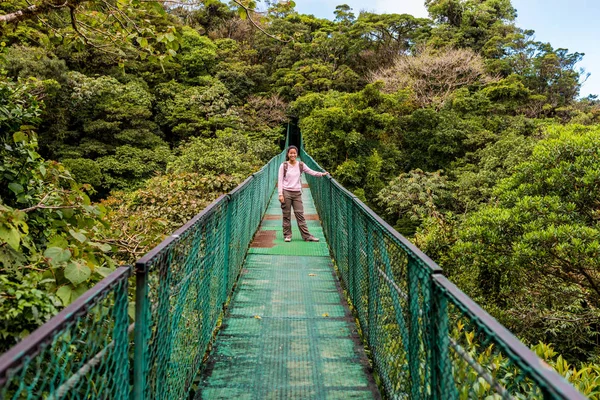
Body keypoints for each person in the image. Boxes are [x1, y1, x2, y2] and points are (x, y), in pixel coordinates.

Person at [278, 146, 328, 242]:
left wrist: (321, 174)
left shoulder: (300, 165)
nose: (293, 155)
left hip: (297, 193)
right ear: (288, 154)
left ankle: (306, 236)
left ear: (297, 154)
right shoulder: (283, 166)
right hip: (286, 192)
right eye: (291, 153)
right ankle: (287, 235)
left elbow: (311, 171)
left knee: (300, 214)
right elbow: (280, 180)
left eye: (294, 153)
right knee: (286, 215)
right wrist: (280, 194)